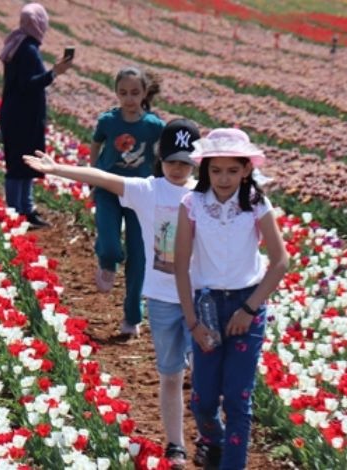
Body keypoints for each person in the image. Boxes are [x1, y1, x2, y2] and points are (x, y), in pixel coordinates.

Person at [24, 118, 200, 469]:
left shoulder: (204, 193)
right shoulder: (149, 190)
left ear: (196, 162)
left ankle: (210, 434)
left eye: (185, 161)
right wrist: (56, 168)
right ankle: (175, 444)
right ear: (160, 159)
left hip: (201, 297)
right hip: (163, 297)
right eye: (172, 161)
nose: (178, 168)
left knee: (206, 374)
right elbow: (103, 179)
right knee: (170, 374)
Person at [173, 128, 288, 470]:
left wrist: (249, 309)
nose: (224, 178)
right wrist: (192, 321)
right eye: (216, 170)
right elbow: (181, 264)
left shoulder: (256, 205)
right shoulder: (192, 204)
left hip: (245, 307)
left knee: (238, 400)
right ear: (204, 169)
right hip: (206, 306)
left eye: (232, 170)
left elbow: (280, 261)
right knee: (203, 400)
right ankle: (213, 441)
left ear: (246, 170)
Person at [90, 66, 164, 337]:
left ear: (144, 93)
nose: (129, 99)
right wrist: (94, 175)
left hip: (141, 193)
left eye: (135, 93)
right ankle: (108, 262)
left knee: (139, 256)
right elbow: (96, 145)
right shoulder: (108, 122)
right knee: (110, 245)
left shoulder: (154, 126)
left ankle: (132, 317)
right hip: (109, 189)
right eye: (123, 93)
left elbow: (164, 154)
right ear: (116, 94)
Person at [0, 3, 72, 228]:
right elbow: (29, 85)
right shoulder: (27, 49)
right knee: (21, 166)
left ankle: (23, 210)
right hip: (23, 118)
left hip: (16, 115)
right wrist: (54, 73)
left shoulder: (18, 42)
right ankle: (18, 212)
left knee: (23, 165)